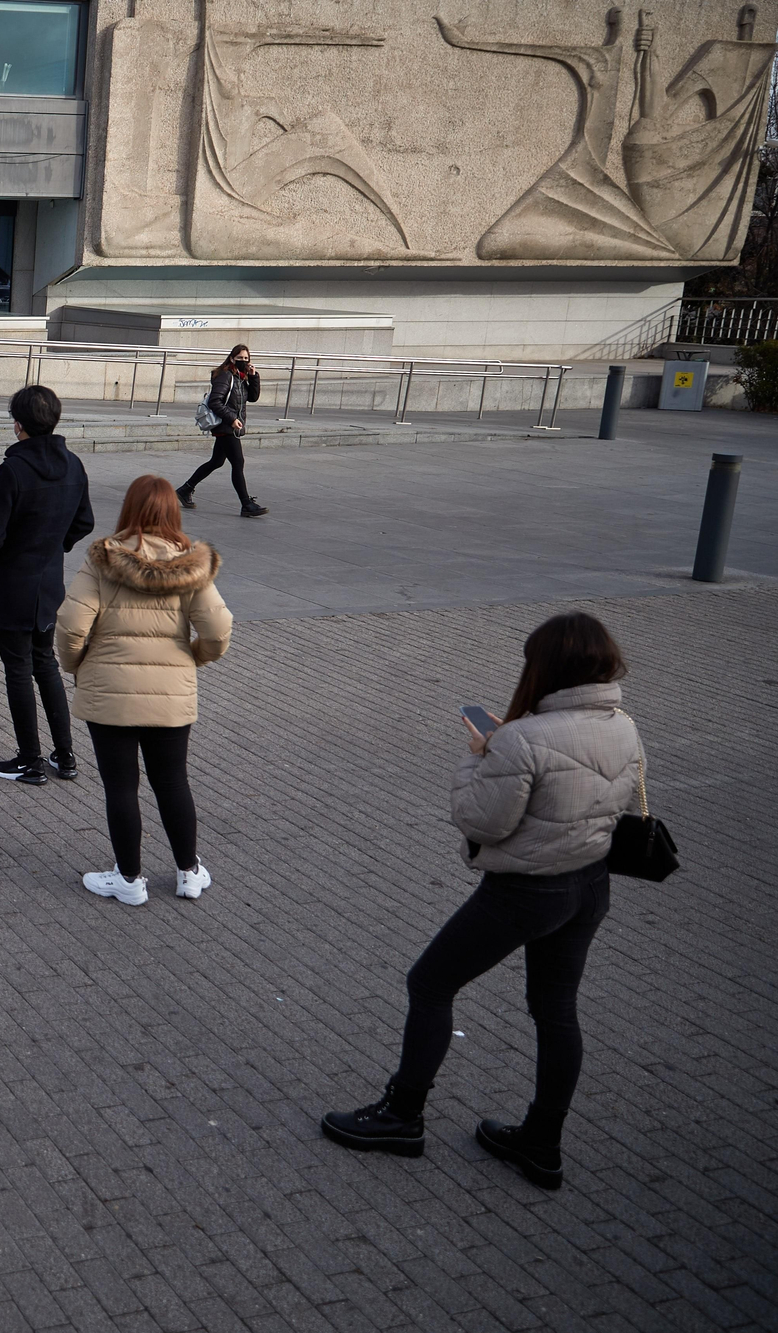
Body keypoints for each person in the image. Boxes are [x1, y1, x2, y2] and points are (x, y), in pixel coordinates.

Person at [322, 613, 644, 1190]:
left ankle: (402, 1116)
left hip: (525, 892)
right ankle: (542, 1143)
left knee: (430, 984)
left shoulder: (523, 738)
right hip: (590, 884)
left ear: (546, 667)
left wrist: (480, 755)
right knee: (556, 1009)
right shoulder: (624, 725)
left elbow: (483, 822)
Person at [56, 475, 232, 906]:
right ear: (173, 511)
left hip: (108, 689)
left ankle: (129, 880)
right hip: (170, 693)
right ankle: (188, 873)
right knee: (172, 781)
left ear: (129, 509)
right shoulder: (192, 564)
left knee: (121, 786)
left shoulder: (102, 558)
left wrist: (77, 665)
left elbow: (72, 626)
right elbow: (218, 630)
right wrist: (193, 657)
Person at [0, 385, 94, 786]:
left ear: (19, 424)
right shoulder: (73, 463)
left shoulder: (14, 469)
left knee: (18, 670)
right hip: (47, 583)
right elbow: (84, 522)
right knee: (44, 664)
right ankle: (65, 755)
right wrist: (54, 545)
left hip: (12, 585)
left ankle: (30, 759)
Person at [177, 343, 268, 518]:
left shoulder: (241, 377)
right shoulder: (226, 376)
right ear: (232, 358)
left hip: (231, 426)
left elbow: (253, 397)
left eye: (246, 358)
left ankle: (185, 489)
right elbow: (215, 401)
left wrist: (253, 377)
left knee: (216, 461)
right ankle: (246, 504)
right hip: (226, 426)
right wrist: (232, 419)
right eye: (240, 358)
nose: (243, 361)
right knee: (238, 462)